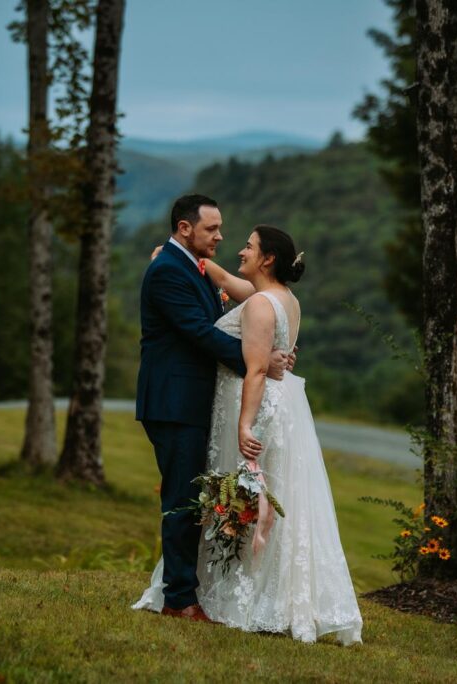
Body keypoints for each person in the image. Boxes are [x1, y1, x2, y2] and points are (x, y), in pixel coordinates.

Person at [135, 224, 363, 645]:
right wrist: (183, 261)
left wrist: (243, 424)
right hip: (281, 407)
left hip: (252, 406)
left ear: (267, 258)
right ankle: (271, 593)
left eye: (249, 246)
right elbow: (225, 281)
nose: (240, 249)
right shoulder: (284, 299)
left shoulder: (260, 305)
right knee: (269, 498)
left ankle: (249, 597)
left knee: (249, 495)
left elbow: (256, 368)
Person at [134, 195, 292, 623]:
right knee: (182, 499)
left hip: (191, 401)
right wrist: (260, 361)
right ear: (185, 229)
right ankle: (179, 600)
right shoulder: (168, 270)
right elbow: (200, 333)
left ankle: (187, 591)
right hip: (173, 401)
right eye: (212, 229)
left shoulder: (194, 266)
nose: (221, 236)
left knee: (190, 497)